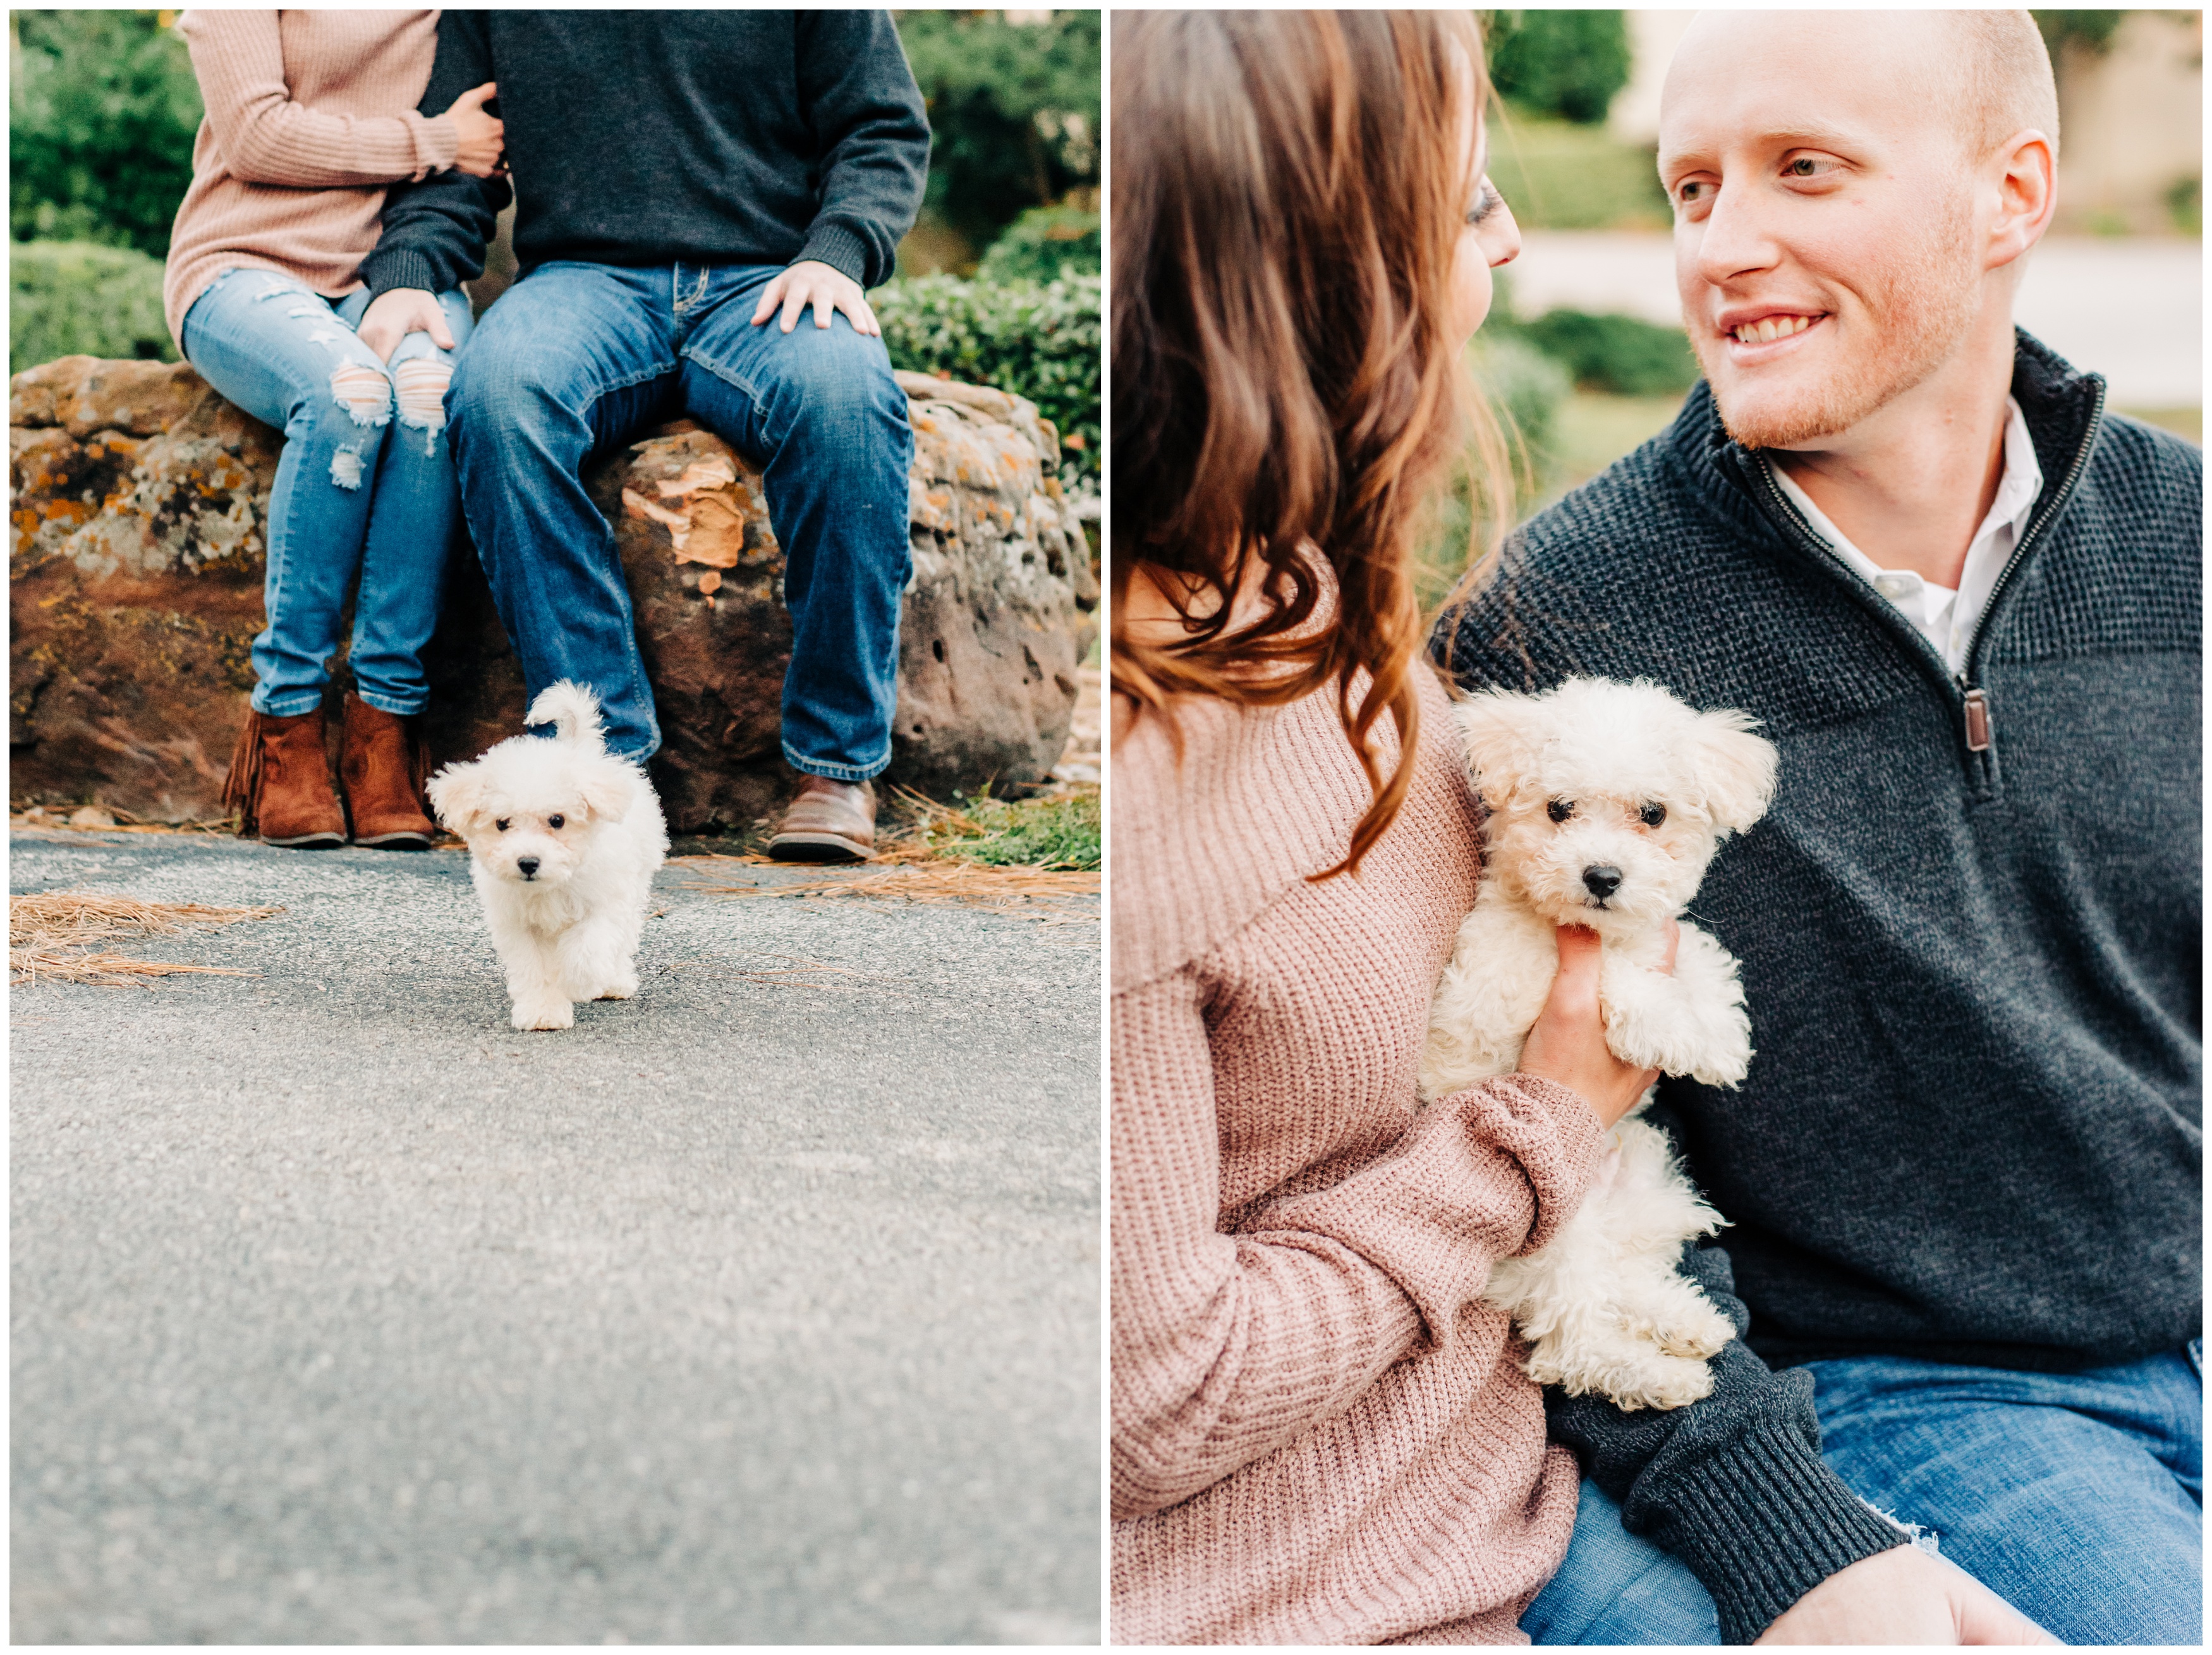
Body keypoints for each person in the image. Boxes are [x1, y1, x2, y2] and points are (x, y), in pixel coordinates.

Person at [1110, 10, 2054, 1646]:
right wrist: (1530, 1129)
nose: (1515, 241)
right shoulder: (1166, 793)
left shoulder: (1340, 632)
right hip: (1331, 1583)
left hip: (1511, 1483)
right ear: (1335, 273)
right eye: (1470, 204)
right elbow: (1154, 1403)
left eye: (1802, 169)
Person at [1438, 11, 2201, 1646]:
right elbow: (1568, 1162)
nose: (1726, 245)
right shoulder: (1562, 633)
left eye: (1803, 171)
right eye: (1691, 188)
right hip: (1925, 1401)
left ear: (2011, 192)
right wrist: (1785, 1530)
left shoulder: (2182, 541)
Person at [348, 12, 930, 862]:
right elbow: (460, 158)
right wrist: (411, 273)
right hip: (586, 284)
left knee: (847, 407)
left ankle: (835, 764)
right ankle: (605, 757)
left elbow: (881, 128)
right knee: (498, 393)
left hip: (768, 282)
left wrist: (838, 252)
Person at [166, 9, 504, 849]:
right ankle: (284, 725)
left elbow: (489, 143)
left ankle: (384, 728)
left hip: (393, 272)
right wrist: (431, 140)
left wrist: (452, 161)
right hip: (241, 263)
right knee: (350, 393)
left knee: (426, 399)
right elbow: (257, 138)